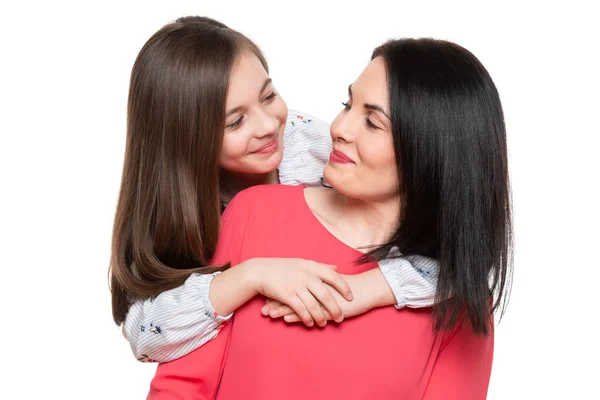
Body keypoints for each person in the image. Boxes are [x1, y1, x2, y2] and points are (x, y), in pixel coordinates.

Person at [147, 37, 513, 400]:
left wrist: (374, 287)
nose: (338, 127)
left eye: (372, 122)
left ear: (431, 152)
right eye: (346, 104)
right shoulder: (253, 211)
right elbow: (179, 385)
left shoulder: (458, 297)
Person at [110, 16, 438, 364]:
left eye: (268, 96)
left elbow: (466, 257)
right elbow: (145, 336)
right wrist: (252, 275)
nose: (268, 126)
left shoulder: (320, 148)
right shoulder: (171, 208)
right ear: (183, 141)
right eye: (235, 122)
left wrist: (369, 288)